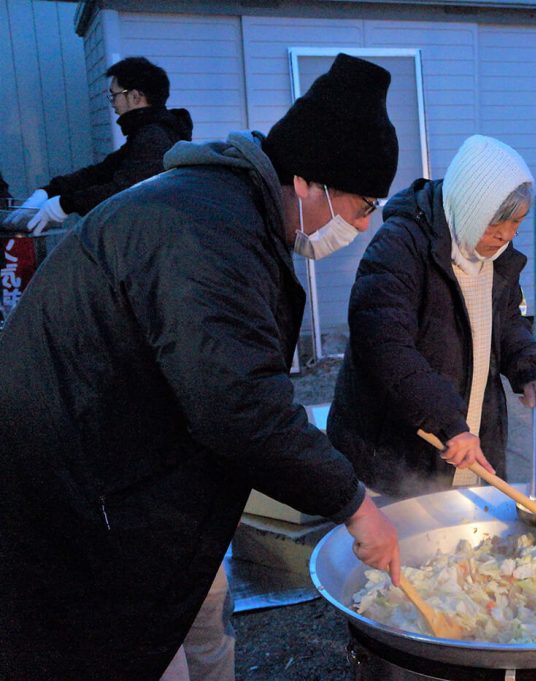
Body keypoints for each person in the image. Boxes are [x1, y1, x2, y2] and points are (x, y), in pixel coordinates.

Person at [0, 53, 402, 681]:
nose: (364, 223)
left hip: (121, 471)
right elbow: (238, 403)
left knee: (192, 616)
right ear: (307, 182)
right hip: (80, 496)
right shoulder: (207, 234)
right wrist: (353, 504)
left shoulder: (224, 210)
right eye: (362, 203)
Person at [327, 134, 536, 497]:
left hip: (467, 441)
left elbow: (508, 321)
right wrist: (449, 423)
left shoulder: (495, 256)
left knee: (468, 548)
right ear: (471, 206)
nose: (506, 236)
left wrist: (529, 366)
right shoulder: (400, 246)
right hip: (396, 453)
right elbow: (386, 347)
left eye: (517, 223)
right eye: (497, 223)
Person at [2, 56, 193, 234]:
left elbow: (124, 190)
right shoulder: (147, 132)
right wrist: (50, 191)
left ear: (135, 97)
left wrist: (65, 205)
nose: (113, 103)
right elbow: (102, 171)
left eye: (114, 95)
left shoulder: (155, 136)